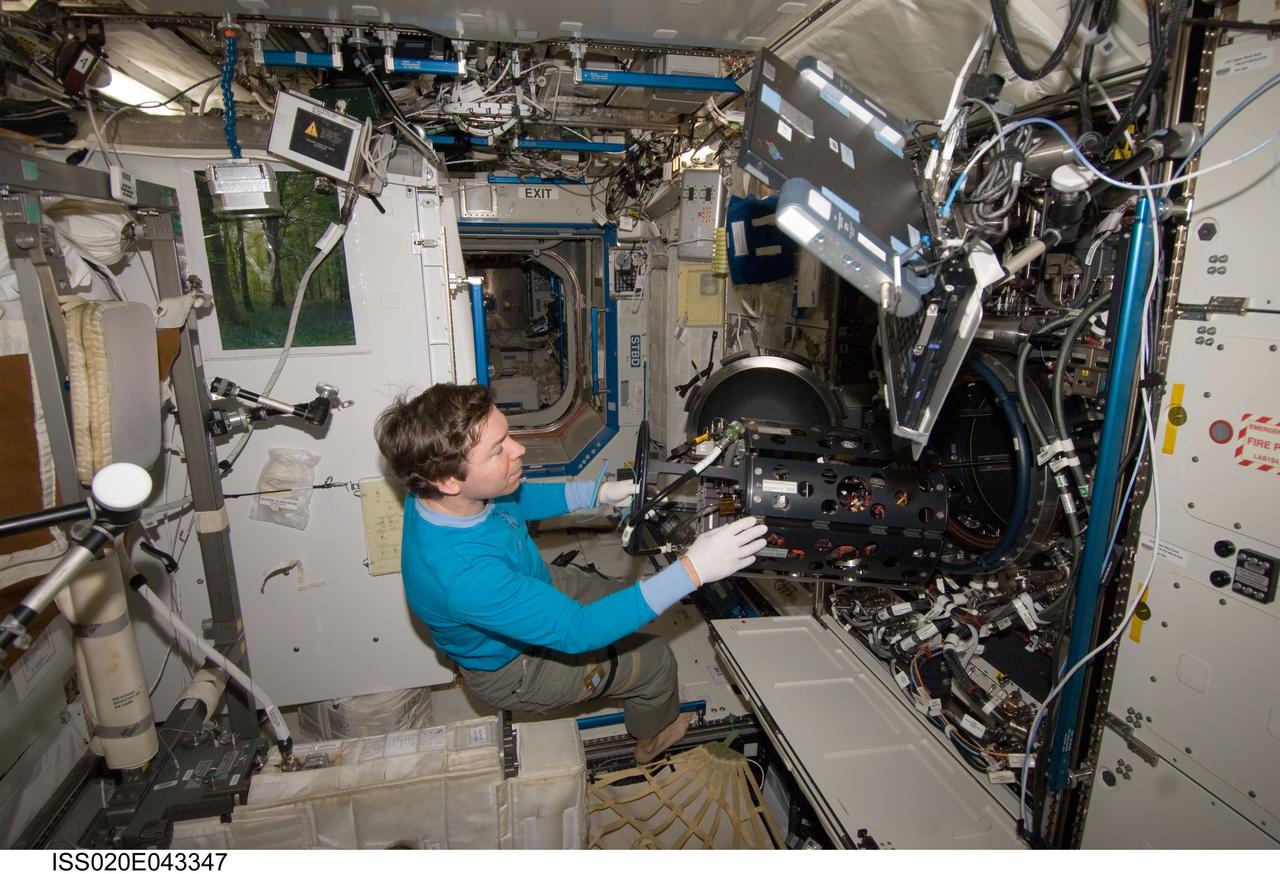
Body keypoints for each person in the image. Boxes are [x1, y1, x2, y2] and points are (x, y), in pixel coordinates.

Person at [375, 383, 767, 763]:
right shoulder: (464, 575)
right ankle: (651, 740)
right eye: (498, 451)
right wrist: (692, 570)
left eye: (508, 435)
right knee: (655, 659)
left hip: (532, 582)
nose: (519, 449)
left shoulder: (436, 489)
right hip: (514, 667)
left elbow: (514, 498)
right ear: (446, 481)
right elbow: (580, 631)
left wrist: (594, 494)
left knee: (618, 595)